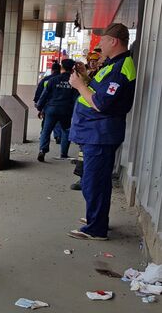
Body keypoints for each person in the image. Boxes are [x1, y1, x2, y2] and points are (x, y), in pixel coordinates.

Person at [67, 23, 136, 240]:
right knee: (97, 180)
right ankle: (96, 218)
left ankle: (96, 228)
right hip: (96, 133)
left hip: (100, 134)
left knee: (94, 182)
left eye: (102, 40)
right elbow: (99, 91)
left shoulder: (120, 68)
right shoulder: (114, 65)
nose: (99, 44)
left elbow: (101, 103)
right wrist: (85, 79)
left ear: (113, 41)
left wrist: (79, 86)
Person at [70, 50, 102, 190]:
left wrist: (81, 84)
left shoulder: (106, 72)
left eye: (97, 59)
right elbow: (91, 87)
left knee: (88, 157)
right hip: (87, 122)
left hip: (93, 123)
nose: (94, 62)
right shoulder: (96, 73)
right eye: (91, 60)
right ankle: (84, 179)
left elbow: (96, 97)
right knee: (84, 153)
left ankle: (84, 181)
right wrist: (83, 74)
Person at [36, 59, 78, 162]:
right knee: (65, 131)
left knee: (46, 130)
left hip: (51, 109)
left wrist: (40, 107)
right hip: (66, 110)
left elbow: (44, 95)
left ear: (62, 67)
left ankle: (42, 150)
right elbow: (76, 98)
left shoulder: (53, 80)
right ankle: (63, 153)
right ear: (72, 68)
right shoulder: (74, 82)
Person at [34, 62, 63, 143]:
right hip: (60, 104)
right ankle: (57, 136)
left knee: (46, 122)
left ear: (52, 70)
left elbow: (40, 92)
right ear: (60, 70)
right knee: (58, 122)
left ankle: (43, 137)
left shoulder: (46, 79)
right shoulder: (62, 80)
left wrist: (38, 104)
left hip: (47, 105)